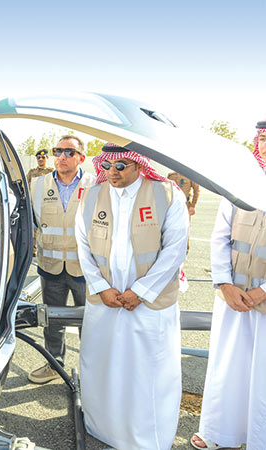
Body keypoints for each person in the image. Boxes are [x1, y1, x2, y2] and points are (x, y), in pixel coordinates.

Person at [75, 143, 188, 450]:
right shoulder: (91, 196)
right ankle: (103, 428)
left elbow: (175, 250)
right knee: (102, 365)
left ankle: (145, 439)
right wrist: (101, 287)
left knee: (147, 372)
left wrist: (140, 291)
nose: (112, 172)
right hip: (106, 302)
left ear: (139, 166)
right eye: (108, 165)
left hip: (149, 304)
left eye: (121, 166)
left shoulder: (166, 194)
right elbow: (83, 246)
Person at [191, 126, 266, 450]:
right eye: (264, 138)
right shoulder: (240, 183)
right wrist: (224, 284)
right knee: (227, 368)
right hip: (234, 296)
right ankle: (219, 432)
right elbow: (220, 236)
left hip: (262, 298)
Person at [27, 135, 94, 384]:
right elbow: (33, 221)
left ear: (81, 158)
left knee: (89, 322)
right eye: (58, 151)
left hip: (85, 269)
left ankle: (92, 372)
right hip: (50, 266)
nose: (61, 156)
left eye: (68, 152)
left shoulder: (94, 184)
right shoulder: (39, 184)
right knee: (53, 320)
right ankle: (55, 364)